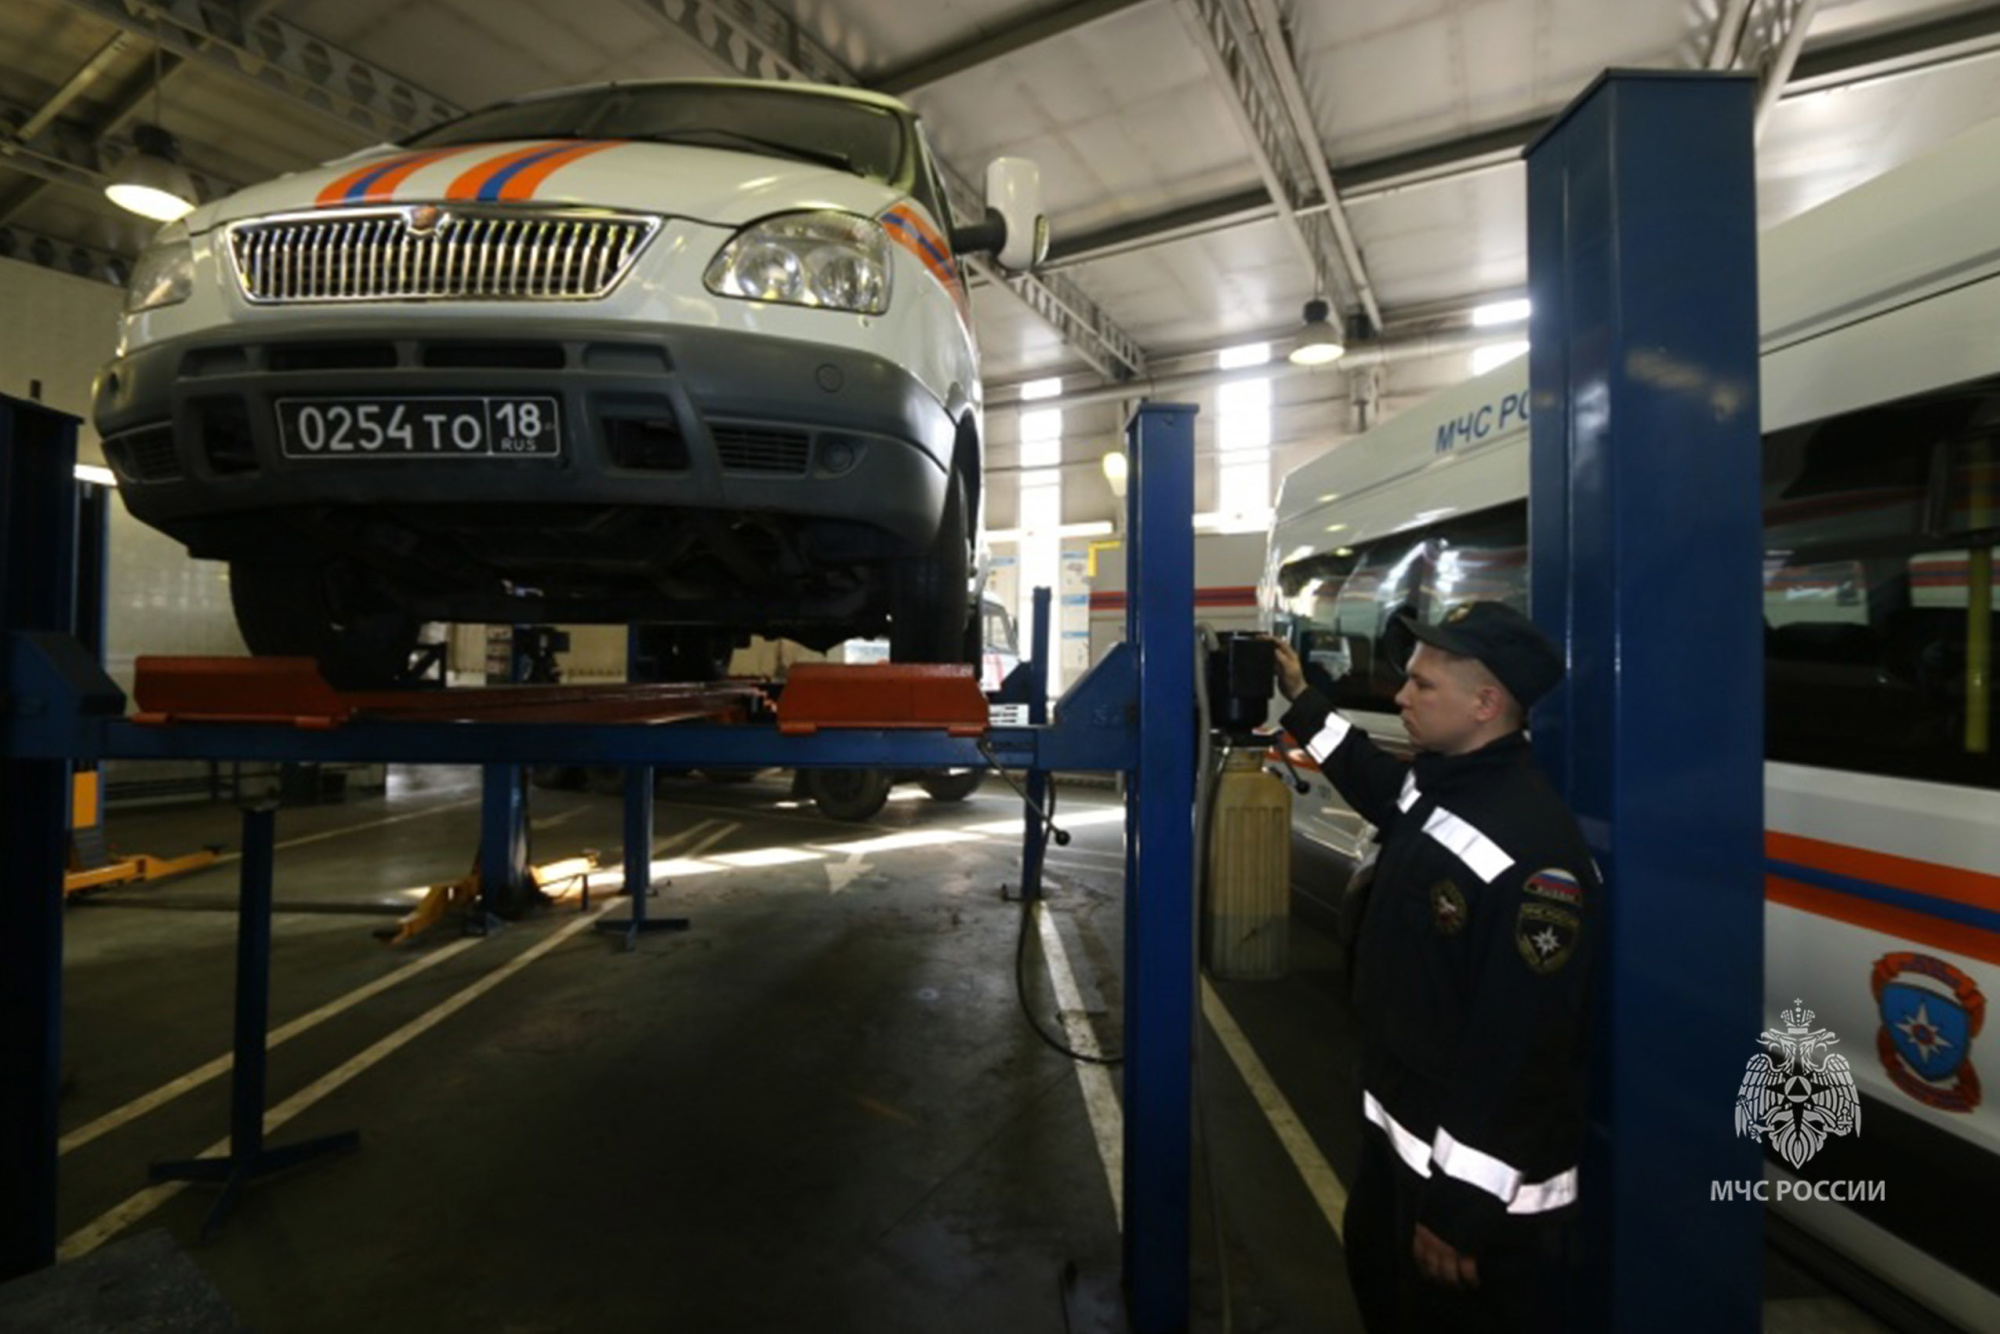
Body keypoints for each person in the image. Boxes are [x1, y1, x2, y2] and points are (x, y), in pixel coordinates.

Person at [1271, 602, 1597, 1334]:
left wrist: (1459, 1212)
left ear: (1484, 704)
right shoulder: (1446, 783)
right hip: (1401, 1152)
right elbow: (1374, 782)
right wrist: (1300, 696)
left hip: (1470, 1205)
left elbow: (1522, 1049)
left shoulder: (1535, 858)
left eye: (1422, 686)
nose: (1400, 696)